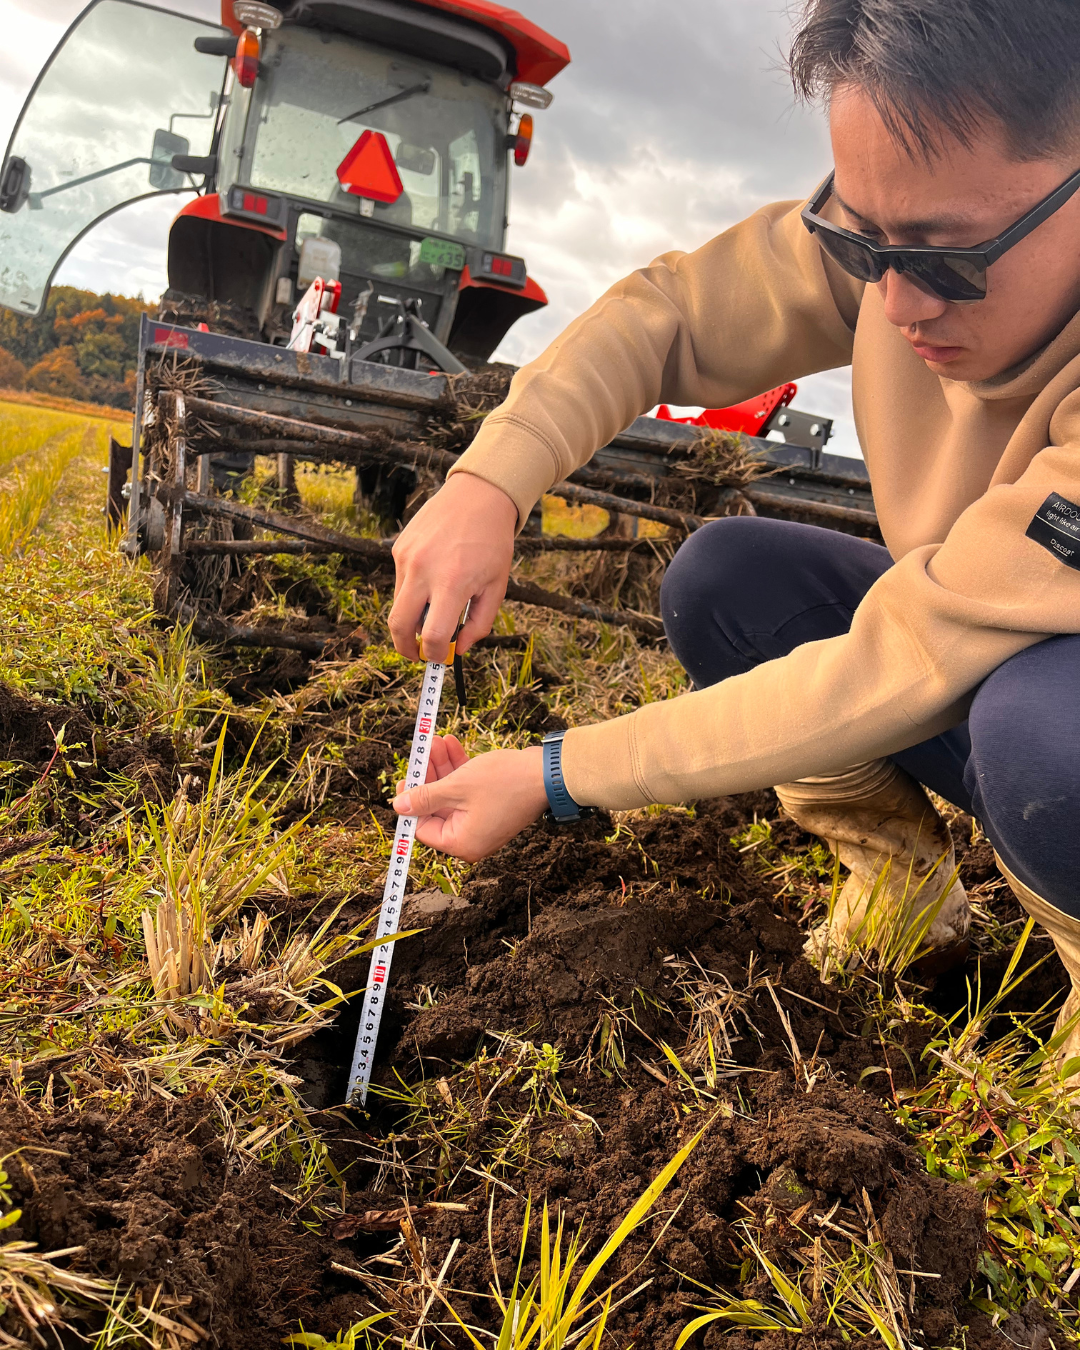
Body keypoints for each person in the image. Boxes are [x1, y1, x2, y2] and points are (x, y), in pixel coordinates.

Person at [386, 0, 1080, 1063]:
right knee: (730, 579)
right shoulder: (907, 248)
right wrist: (491, 479)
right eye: (862, 240)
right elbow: (673, 314)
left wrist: (554, 773)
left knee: (1048, 737)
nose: (893, 304)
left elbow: (898, 664)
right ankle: (907, 902)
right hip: (993, 664)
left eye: (942, 257)